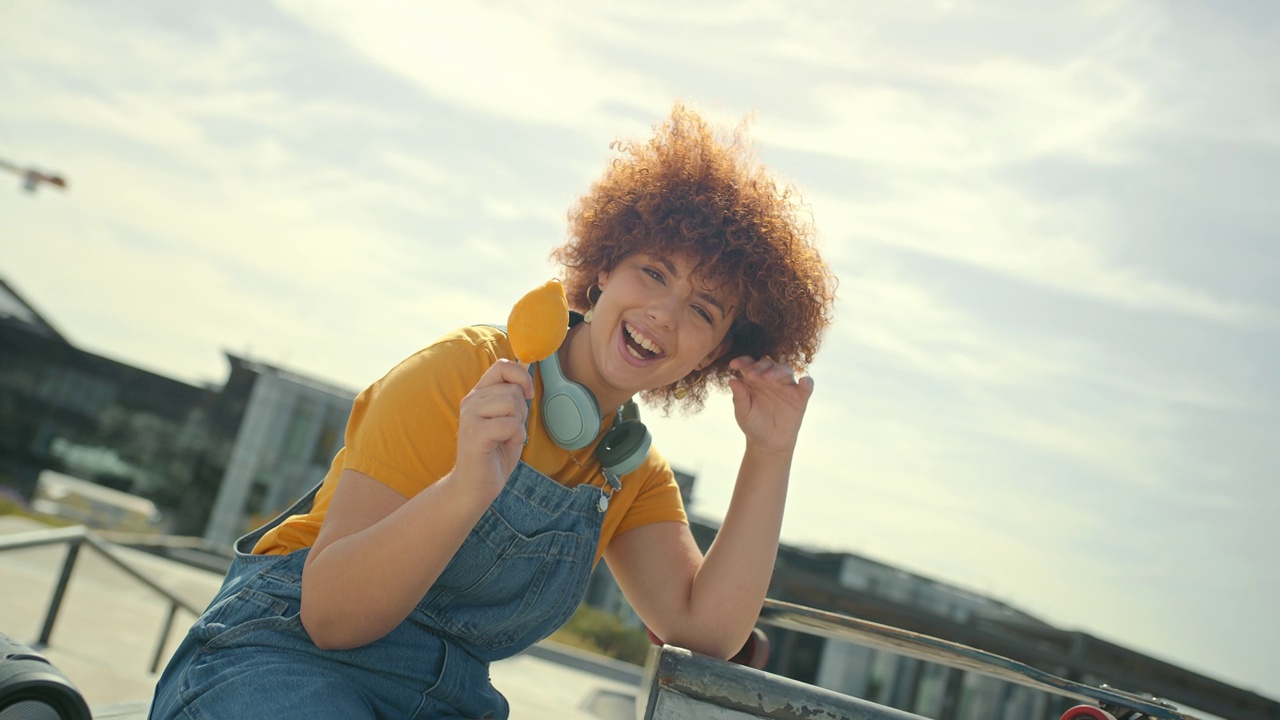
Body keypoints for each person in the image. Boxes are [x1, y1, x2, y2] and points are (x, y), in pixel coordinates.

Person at [149, 103, 836, 720]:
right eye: (652, 272)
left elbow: (704, 633)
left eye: (703, 310)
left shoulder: (630, 473)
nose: (663, 311)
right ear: (602, 270)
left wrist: (770, 453)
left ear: (714, 356)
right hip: (277, 664)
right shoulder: (464, 371)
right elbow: (329, 618)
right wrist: (467, 487)